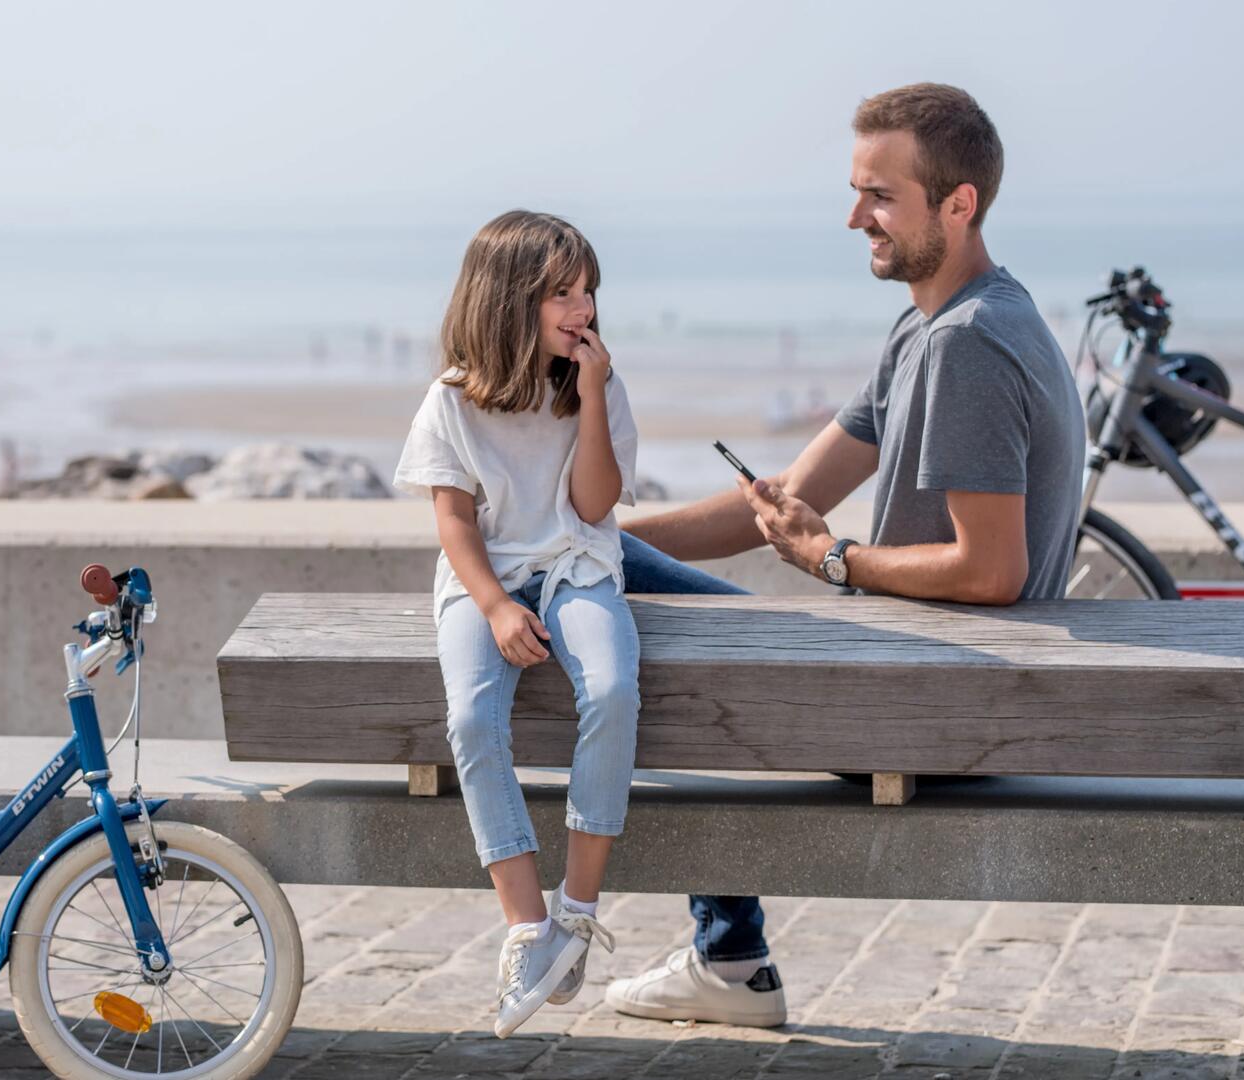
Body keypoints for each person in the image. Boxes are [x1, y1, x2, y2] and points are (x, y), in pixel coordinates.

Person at [604, 82, 1086, 1027]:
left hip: (929, 703)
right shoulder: (927, 328)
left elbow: (991, 572)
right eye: (857, 190)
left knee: (638, 639)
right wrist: (603, 540)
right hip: (915, 675)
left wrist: (837, 562)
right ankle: (726, 955)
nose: (854, 216)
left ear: (960, 203)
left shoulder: (970, 345)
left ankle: (722, 953)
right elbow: (783, 506)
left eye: (880, 196)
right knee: (601, 574)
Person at [393, 210, 638, 1038]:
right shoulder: (452, 400)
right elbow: (455, 522)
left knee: (610, 686)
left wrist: (596, 395)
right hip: (484, 577)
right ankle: (528, 932)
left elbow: (596, 506)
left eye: (588, 289)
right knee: (470, 716)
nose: (583, 306)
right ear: (507, 300)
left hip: (577, 564)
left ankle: (575, 912)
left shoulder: (595, 383)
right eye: (561, 292)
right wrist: (496, 606)